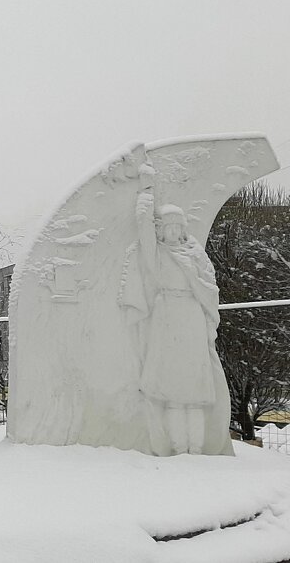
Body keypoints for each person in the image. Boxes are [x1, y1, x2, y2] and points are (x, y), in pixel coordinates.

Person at [122, 189, 222, 454]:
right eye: (168, 227)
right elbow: (144, 234)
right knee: (174, 393)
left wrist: (195, 283)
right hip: (166, 318)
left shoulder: (196, 255)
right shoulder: (157, 255)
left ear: (183, 229)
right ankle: (179, 448)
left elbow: (210, 287)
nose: (173, 232)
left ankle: (197, 448)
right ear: (162, 231)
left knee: (195, 392)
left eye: (177, 227)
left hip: (191, 317)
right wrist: (145, 198)